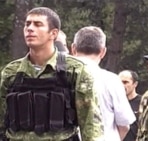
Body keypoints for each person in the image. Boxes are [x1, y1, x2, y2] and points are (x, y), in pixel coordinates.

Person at [0, 7, 104, 141]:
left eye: (38, 24)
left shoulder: (75, 71)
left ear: (53, 33)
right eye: (27, 24)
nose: (30, 29)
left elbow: (91, 126)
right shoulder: (11, 72)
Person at [71, 26, 136, 141]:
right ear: (103, 51)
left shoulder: (58, 78)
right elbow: (124, 125)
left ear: (73, 49)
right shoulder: (112, 81)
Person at [118, 70, 142, 141]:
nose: (122, 85)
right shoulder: (115, 103)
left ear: (135, 84)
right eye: (119, 82)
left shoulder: (143, 102)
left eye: (125, 82)